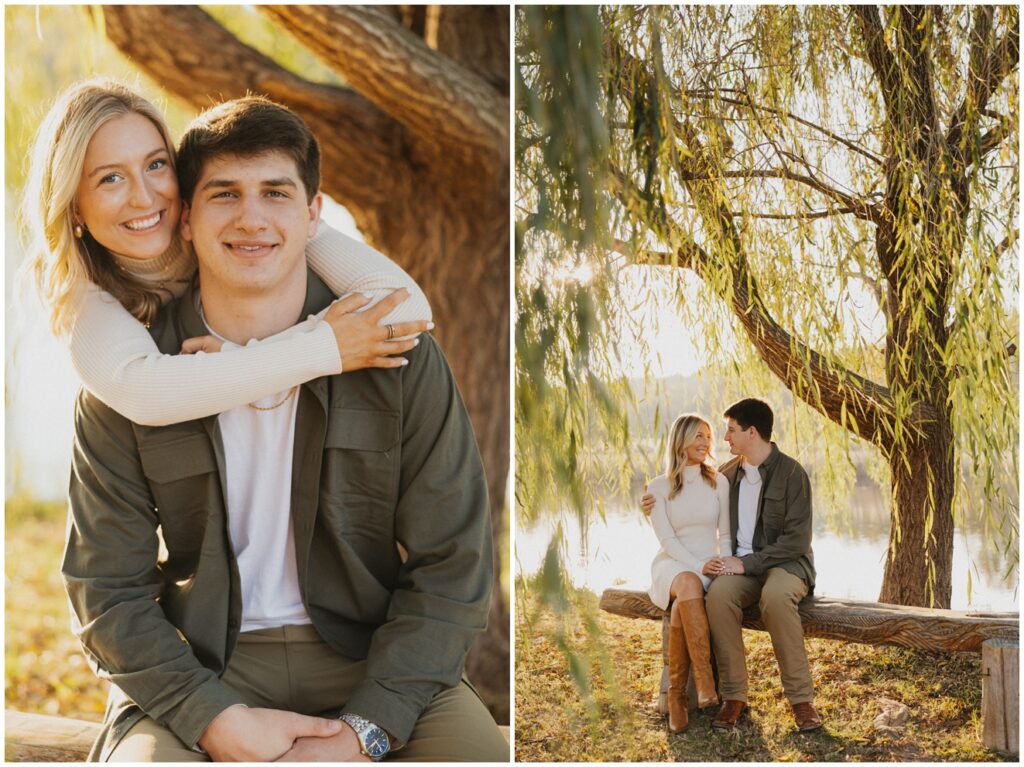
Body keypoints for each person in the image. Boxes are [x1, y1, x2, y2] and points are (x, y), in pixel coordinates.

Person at [61, 96, 508, 761]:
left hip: (370, 655)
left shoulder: (394, 356)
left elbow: (455, 562)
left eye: (275, 192)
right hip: (206, 663)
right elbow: (107, 591)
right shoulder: (125, 371)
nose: (251, 218)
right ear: (186, 218)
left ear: (313, 214)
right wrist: (211, 716)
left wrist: (366, 730)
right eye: (224, 195)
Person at [23, 79, 432, 427]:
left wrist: (242, 358)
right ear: (73, 204)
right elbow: (145, 393)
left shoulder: (233, 212)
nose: (145, 197)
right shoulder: (74, 284)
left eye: (155, 165)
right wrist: (325, 346)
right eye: (111, 178)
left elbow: (406, 307)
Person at [643, 398, 821, 733]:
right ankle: (734, 696)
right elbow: (686, 495)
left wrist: (746, 563)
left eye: (731, 431)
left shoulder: (792, 474)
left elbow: (797, 541)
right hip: (740, 568)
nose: (723, 439)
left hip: (786, 565)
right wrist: (650, 506)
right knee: (720, 597)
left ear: (752, 433)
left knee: (776, 599)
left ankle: (801, 701)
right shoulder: (727, 475)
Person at [644, 413, 730, 733]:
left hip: (709, 563)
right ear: (681, 439)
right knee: (687, 583)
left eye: (708, 436)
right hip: (672, 564)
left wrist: (724, 563)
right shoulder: (658, 486)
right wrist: (697, 566)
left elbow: (728, 534)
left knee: (685, 600)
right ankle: (706, 682)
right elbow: (666, 540)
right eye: (698, 436)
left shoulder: (717, 481)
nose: (705, 442)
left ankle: (678, 693)